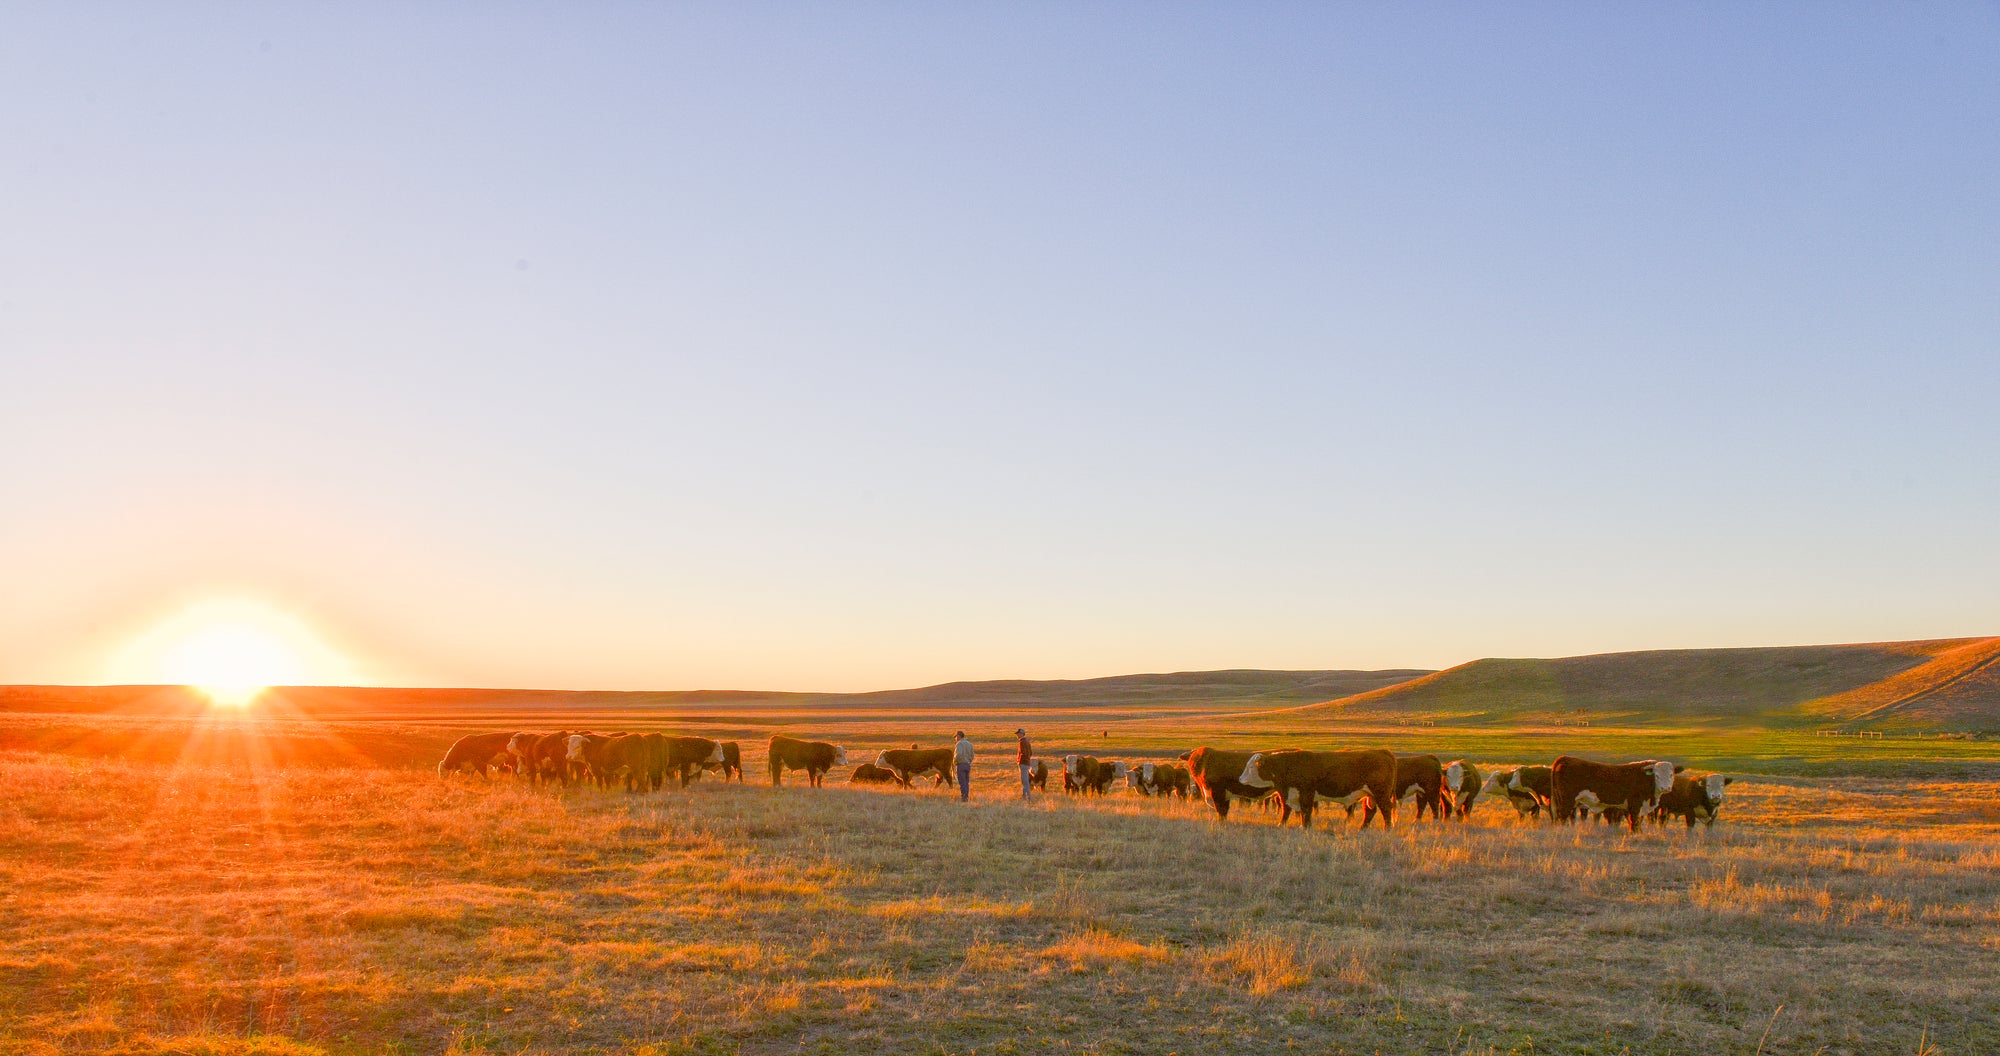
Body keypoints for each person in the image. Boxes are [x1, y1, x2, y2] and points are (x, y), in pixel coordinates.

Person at [953, 731, 974, 802]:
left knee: (962, 782)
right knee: (966, 782)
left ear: (958, 736)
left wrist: (955, 761)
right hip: (968, 765)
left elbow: (958, 754)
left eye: (955, 737)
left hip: (961, 765)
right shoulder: (969, 744)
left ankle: (964, 798)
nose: (955, 739)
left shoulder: (959, 744)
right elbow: (972, 755)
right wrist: (969, 761)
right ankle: (966, 796)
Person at [1015, 727, 1033, 799]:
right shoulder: (1027, 742)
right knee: (1024, 780)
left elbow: (1023, 753)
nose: (1017, 735)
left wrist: (1021, 760)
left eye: (1018, 734)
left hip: (1023, 763)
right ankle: (1024, 796)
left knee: (1025, 781)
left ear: (1022, 734)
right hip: (1027, 763)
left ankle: (1029, 797)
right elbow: (1030, 753)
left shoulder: (1022, 742)